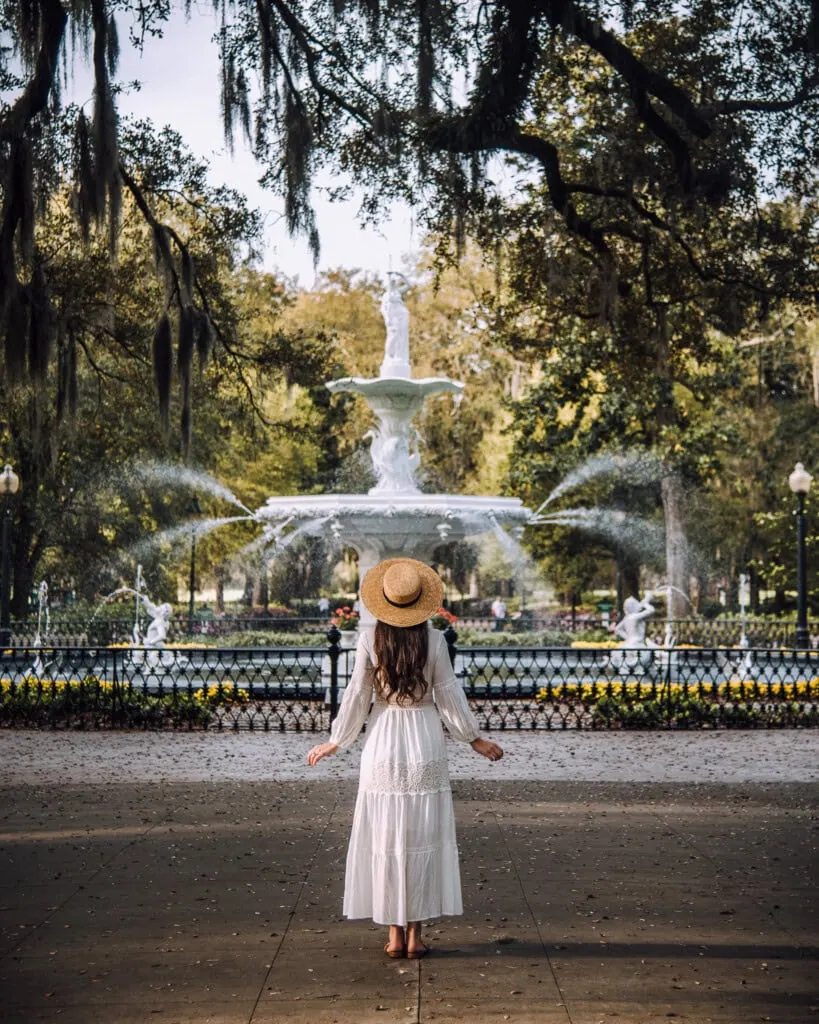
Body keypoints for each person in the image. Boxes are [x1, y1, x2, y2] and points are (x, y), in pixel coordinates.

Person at [307, 557, 503, 959]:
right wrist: (473, 739)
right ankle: (415, 937)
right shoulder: (433, 641)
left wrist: (337, 741)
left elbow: (357, 697)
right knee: (421, 835)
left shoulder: (369, 640)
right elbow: (449, 695)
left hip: (383, 738)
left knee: (387, 835)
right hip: (423, 737)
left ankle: (394, 936)